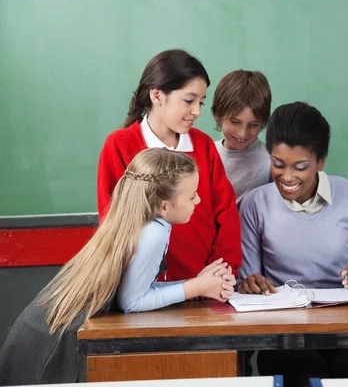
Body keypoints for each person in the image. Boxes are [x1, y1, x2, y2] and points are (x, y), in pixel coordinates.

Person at [0, 148, 236, 385]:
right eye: (192, 195)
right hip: (52, 348)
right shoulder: (154, 233)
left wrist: (198, 285)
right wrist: (196, 287)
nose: (199, 200)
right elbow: (132, 302)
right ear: (164, 206)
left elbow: (138, 288)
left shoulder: (145, 222)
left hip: (42, 334)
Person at [239, 102, 348, 387]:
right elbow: (248, 281)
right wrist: (249, 284)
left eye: (300, 167)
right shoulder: (254, 204)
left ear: (320, 162)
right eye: (278, 164)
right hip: (285, 333)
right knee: (302, 372)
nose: (287, 177)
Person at [97, 49, 241, 281]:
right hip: (145, 290)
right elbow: (112, 221)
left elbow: (226, 212)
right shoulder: (120, 145)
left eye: (201, 102)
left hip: (206, 285)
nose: (197, 111)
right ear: (157, 96)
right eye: (189, 100)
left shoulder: (203, 145)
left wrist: (220, 271)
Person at [212, 70, 272, 206]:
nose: (242, 134)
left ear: (263, 123)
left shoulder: (269, 161)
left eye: (253, 125)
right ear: (218, 115)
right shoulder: (207, 154)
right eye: (235, 122)